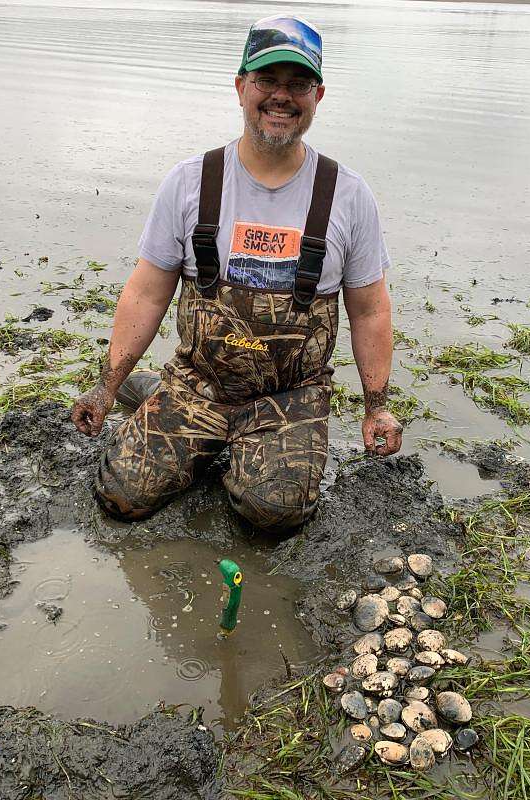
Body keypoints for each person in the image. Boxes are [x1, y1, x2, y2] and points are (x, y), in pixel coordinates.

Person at [71, 14, 402, 532]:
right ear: (240, 87)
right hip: (197, 387)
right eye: (267, 80)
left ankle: (217, 431)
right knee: (121, 498)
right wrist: (105, 387)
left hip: (289, 398)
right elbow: (146, 294)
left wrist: (376, 406)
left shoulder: (347, 194)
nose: (281, 97)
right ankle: (149, 391)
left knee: (273, 514)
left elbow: (370, 310)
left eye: (297, 84)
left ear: (318, 95)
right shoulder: (189, 182)